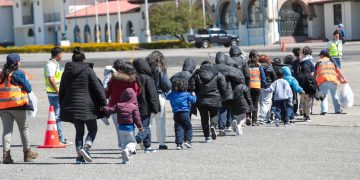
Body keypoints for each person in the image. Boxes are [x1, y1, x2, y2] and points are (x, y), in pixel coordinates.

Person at [59, 47, 107, 164]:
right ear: (83, 59)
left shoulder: (66, 71)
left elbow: (62, 91)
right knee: (93, 129)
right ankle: (86, 148)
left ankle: (79, 157)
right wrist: (104, 103)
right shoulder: (88, 70)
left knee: (79, 132)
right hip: (88, 107)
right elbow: (98, 88)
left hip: (73, 108)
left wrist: (63, 105)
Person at [1, 53, 38, 164]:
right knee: (23, 129)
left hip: (3, 107)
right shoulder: (18, 73)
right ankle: (27, 154)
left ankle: (6, 156)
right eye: (19, 61)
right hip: (18, 106)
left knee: (7, 131)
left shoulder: (2, 74)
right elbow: (28, 88)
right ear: (16, 63)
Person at [105, 60, 140, 150]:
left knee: (119, 130)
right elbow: (136, 92)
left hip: (115, 107)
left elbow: (106, 94)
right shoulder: (132, 79)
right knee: (131, 127)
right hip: (130, 107)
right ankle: (131, 147)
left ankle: (122, 147)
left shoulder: (113, 79)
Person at [103, 88, 144, 164]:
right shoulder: (134, 107)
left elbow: (110, 110)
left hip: (121, 128)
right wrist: (140, 127)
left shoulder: (118, 105)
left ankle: (124, 160)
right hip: (129, 128)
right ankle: (127, 150)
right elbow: (137, 118)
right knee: (132, 142)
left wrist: (104, 107)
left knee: (124, 143)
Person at [189, 61, 226, 142]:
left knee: (204, 118)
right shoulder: (217, 73)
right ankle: (213, 126)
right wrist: (222, 96)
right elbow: (223, 86)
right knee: (214, 115)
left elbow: (191, 87)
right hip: (215, 98)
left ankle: (207, 137)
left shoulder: (196, 74)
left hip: (201, 100)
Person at [43, 47, 72, 145]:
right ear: (58, 54)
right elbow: (51, 79)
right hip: (54, 94)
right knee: (57, 116)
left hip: (55, 93)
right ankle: (60, 139)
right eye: (61, 54)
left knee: (57, 116)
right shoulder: (51, 65)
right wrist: (58, 91)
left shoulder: (54, 64)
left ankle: (60, 138)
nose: (62, 56)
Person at [133, 58, 160, 153]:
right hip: (145, 107)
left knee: (145, 125)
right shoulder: (148, 78)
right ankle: (137, 139)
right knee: (146, 126)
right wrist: (156, 108)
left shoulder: (133, 77)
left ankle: (147, 146)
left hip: (134, 106)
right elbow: (153, 95)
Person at [146, 51, 172, 150]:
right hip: (159, 96)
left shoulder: (144, 68)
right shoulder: (160, 68)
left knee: (147, 121)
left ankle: (146, 143)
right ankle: (161, 143)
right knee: (160, 121)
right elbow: (167, 84)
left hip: (146, 96)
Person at [213, 52, 242, 136]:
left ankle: (221, 128)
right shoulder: (228, 68)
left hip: (217, 92)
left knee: (222, 111)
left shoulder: (213, 68)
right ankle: (234, 120)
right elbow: (238, 78)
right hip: (229, 92)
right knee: (232, 108)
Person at [313, 50, 347, 115]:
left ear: (323, 55)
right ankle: (337, 110)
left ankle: (324, 110)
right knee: (334, 96)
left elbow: (315, 73)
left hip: (323, 81)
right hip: (333, 80)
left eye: (320, 55)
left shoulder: (318, 62)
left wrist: (313, 81)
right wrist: (344, 78)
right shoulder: (332, 61)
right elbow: (338, 71)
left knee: (324, 96)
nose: (320, 56)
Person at [166, 79, 196, 150]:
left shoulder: (172, 94)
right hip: (185, 113)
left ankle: (179, 144)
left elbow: (167, 97)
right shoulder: (186, 94)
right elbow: (193, 100)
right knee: (188, 127)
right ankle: (187, 141)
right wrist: (194, 95)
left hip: (176, 113)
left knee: (178, 128)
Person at [247, 50, 267, 126]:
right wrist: (264, 85)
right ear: (252, 57)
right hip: (257, 86)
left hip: (248, 87)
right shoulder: (259, 66)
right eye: (257, 56)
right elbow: (263, 77)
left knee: (248, 103)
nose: (258, 57)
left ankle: (248, 117)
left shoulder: (246, 65)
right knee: (255, 104)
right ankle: (254, 121)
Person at [258, 55, 277, 124]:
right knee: (266, 102)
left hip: (258, 85)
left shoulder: (257, 66)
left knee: (261, 102)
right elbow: (274, 77)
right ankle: (262, 117)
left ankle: (267, 118)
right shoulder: (269, 66)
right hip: (268, 86)